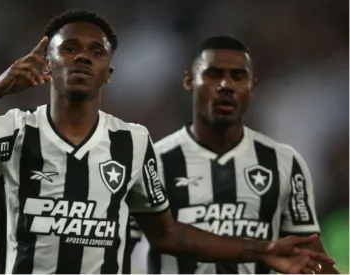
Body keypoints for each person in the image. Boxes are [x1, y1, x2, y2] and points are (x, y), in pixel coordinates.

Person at [0, 10, 335, 274]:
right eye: (70, 49)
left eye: (96, 52)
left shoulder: (132, 143)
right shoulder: (14, 131)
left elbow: (168, 235)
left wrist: (262, 250)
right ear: (47, 63)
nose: (82, 57)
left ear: (109, 72)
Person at [129, 36, 340, 274]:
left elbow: (312, 258)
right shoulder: (154, 163)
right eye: (213, 74)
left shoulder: (283, 164)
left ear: (252, 86)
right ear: (189, 81)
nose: (225, 86)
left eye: (238, 77)